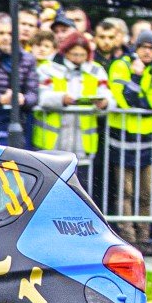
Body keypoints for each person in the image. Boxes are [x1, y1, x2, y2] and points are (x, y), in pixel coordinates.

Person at [106, 31, 152, 249]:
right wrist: (137, 77)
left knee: (146, 193)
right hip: (122, 139)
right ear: (135, 48)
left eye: (151, 48)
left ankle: (143, 238)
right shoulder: (120, 65)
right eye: (143, 47)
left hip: (148, 142)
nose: (147, 52)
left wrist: (140, 100)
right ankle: (128, 238)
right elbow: (124, 99)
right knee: (125, 192)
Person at [35, 31, 110, 194]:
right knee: (49, 189)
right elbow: (41, 96)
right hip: (52, 141)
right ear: (65, 52)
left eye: (82, 55)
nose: (78, 59)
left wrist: (104, 103)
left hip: (83, 143)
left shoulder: (96, 70)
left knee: (81, 189)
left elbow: (108, 96)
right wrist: (61, 99)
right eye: (74, 54)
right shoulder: (47, 68)